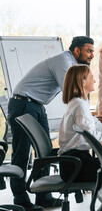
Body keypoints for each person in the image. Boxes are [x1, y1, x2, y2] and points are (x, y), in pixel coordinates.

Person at [7, 36, 95, 211]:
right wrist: (91, 116)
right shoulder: (64, 61)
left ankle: (44, 197)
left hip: (36, 105)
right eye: (89, 51)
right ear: (76, 50)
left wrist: (92, 116)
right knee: (21, 154)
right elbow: (73, 92)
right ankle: (20, 200)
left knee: (44, 153)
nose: (92, 55)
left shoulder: (70, 63)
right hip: (24, 103)